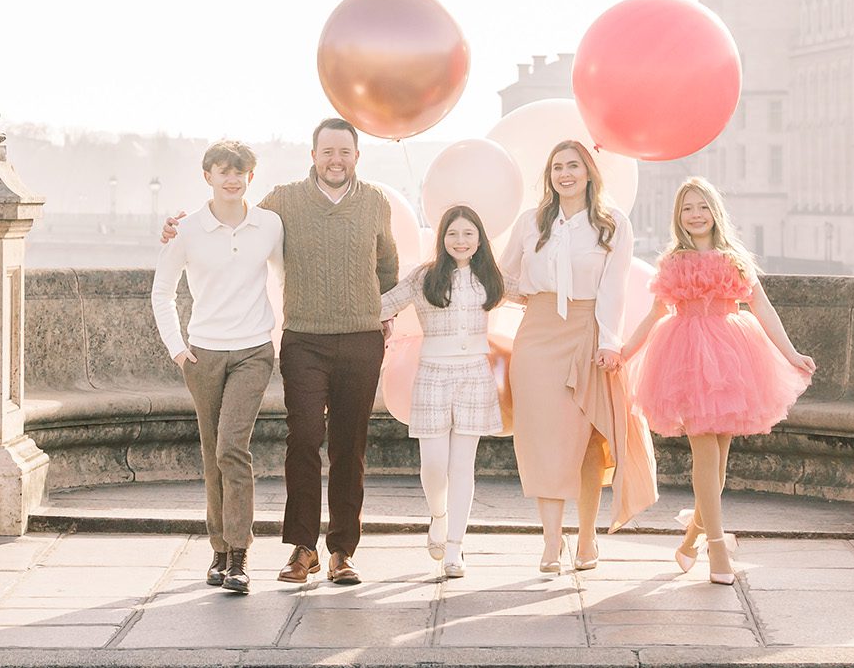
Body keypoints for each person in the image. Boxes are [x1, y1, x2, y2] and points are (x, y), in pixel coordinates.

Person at [162, 118, 397, 586]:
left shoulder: (375, 202)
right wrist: (179, 224)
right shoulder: (283, 202)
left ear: (356, 157)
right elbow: (233, 214)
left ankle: (342, 551)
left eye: (345, 152)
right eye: (327, 151)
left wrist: (384, 315)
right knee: (304, 439)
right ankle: (302, 549)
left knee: (350, 448)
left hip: (360, 341)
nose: (336, 160)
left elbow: (388, 265)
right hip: (304, 340)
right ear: (313, 155)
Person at [620, 177, 814, 585]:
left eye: (701, 206)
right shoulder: (673, 262)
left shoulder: (734, 258)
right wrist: (624, 353)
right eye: (687, 208)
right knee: (705, 454)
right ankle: (718, 548)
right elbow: (655, 314)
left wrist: (791, 353)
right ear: (679, 217)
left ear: (715, 211)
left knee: (720, 466)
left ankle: (691, 539)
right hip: (686, 360)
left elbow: (762, 306)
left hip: (731, 358)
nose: (695, 214)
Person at [498, 140, 657, 573]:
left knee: (589, 439)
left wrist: (609, 340)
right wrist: (527, 294)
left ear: (588, 172)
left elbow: (614, 288)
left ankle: (586, 538)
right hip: (537, 336)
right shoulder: (531, 223)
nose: (564, 174)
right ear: (549, 176)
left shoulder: (612, 224)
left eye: (572, 166)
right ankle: (552, 543)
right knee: (542, 441)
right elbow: (502, 274)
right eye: (556, 167)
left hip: (588, 332)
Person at [150, 140, 283, 594]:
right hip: (203, 354)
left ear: (251, 175)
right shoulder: (185, 230)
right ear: (207, 176)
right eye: (223, 170)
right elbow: (162, 292)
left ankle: (241, 556)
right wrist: (178, 350)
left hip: (253, 351)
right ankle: (219, 553)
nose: (232, 178)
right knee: (212, 455)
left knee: (231, 447)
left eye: (240, 171)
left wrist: (278, 338)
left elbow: (285, 279)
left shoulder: (269, 225)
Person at [377, 205, 505, 579]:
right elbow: (385, 304)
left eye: (468, 234)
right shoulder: (425, 278)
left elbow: (531, 294)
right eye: (453, 234)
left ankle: (455, 548)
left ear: (479, 238)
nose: (460, 241)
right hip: (433, 374)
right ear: (442, 238)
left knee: (462, 464)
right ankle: (438, 515)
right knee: (433, 464)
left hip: (474, 375)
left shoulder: (490, 277)